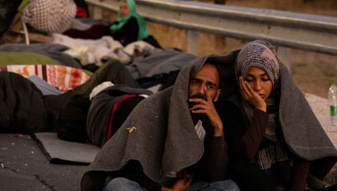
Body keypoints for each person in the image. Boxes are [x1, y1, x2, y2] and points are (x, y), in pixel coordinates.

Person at [218, 40, 337, 191]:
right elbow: (246, 155)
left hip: (291, 185)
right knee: (240, 167)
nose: (258, 87)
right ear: (240, 79)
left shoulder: (287, 101)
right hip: (258, 186)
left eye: (264, 79)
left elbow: (302, 151)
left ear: (274, 77)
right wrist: (260, 110)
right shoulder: (232, 107)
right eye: (249, 79)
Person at [81, 57, 240, 191]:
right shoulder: (154, 107)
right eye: (196, 82)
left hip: (182, 187)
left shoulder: (213, 119)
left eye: (210, 86)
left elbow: (215, 175)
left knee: (230, 187)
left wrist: (218, 128)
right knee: (119, 186)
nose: (202, 91)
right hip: (149, 186)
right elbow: (130, 167)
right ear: (185, 84)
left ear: (217, 94)